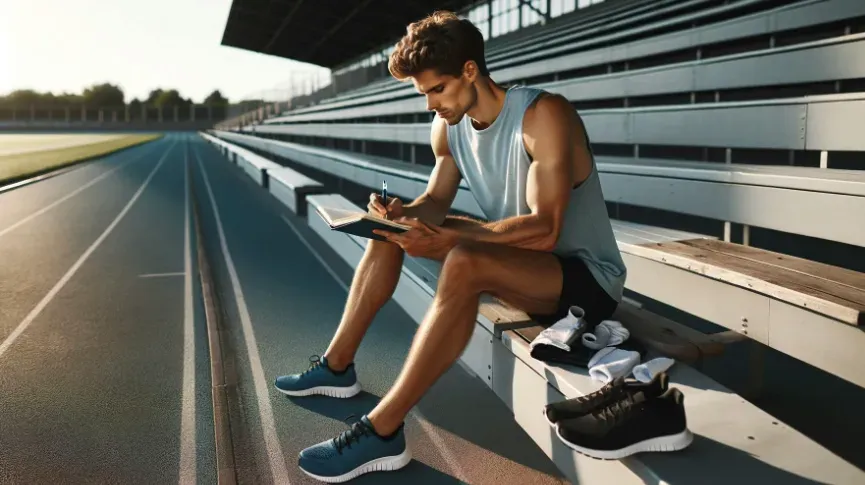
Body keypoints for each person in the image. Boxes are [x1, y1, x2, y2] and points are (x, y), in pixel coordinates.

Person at [275, 10, 627, 483]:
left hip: (584, 283)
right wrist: (401, 215)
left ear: (469, 71)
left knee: (462, 259)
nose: (430, 104)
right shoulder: (449, 126)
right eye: (423, 94)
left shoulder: (543, 115)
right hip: (519, 264)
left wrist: (449, 237)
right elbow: (436, 203)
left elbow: (545, 228)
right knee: (390, 232)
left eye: (436, 90)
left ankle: (382, 431)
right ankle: (337, 368)